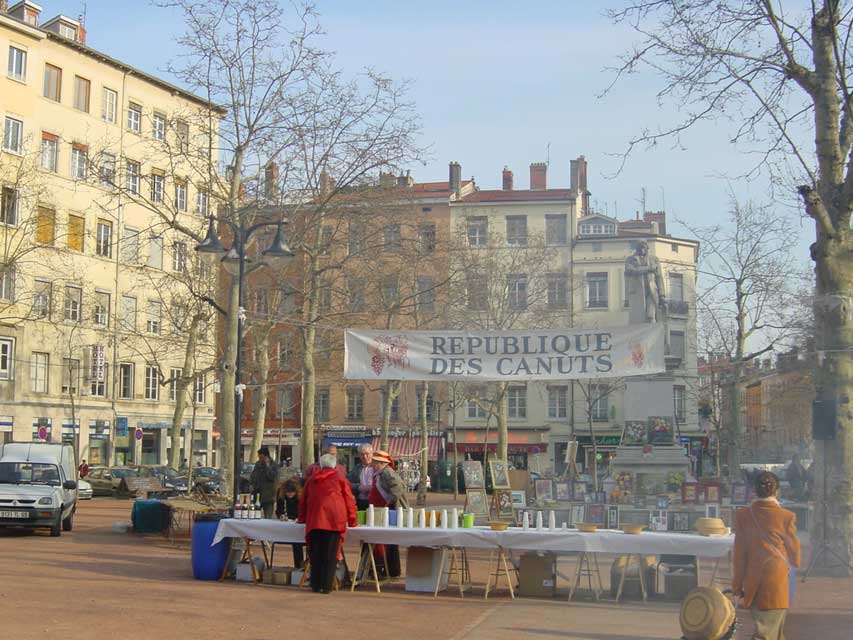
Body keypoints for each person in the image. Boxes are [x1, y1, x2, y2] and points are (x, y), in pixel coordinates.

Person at [733, 471, 801, 640]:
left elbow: (739, 555)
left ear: (754, 490)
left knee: (767, 628)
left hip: (753, 577)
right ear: (776, 491)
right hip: (776, 577)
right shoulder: (787, 516)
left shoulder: (743, 515)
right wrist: (794, 562)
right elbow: (794, 553)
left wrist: (736, 585)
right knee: (770, 631)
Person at [298, 453, 357, 594]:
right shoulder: (340, 479)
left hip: (315, 520)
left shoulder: (311, 480)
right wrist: (353, 520)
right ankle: (326, 585)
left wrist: (302, 518)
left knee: (315, 554)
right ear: (334, 465)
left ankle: (315, 584)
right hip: (335, 521)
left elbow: (303, 501)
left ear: (321, 465)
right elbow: (349, 500)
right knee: (331, 555)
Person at [368, 450, 409, 577]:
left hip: (388, 511)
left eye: (375, 462)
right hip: (381, 510)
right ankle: (390, 568)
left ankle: (391, 569)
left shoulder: (387, 473)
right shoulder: (381, 473)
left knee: (389, 540)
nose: (373, 464)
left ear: (381, 463)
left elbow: (398, 486)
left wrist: (389, 501)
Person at [275, 479, 305, 568]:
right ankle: (298, 566)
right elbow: (279, 508)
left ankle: (303, 565)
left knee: (299, 543)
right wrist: (281, 515)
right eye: (288, 493)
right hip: (289, 520)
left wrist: (300, 517)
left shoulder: (300, 494)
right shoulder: (281, 492)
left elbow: (304, 508)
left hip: (299, 518)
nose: (290, 495)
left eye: (292, 493)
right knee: (295, 543)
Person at [250, 446, 278, 518]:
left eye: (261, 457)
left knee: (267, 517)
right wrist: (252, 484)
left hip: (268, 496)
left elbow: (272, 477)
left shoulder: (273, 465)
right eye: (259, 457)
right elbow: (253, 475)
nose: (260, 459)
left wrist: (267, 466)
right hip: (257, 494)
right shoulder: (258, 464)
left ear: (266, 457)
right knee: (254, 515)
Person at [347, 443, 374, 511]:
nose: (365, 456)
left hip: (374, 501)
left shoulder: (377, 467)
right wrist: (358, 487)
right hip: (361, 501)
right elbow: (347, 483)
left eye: (367, 454)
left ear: (371, 454)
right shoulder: (356, 468)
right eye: (362, 454)